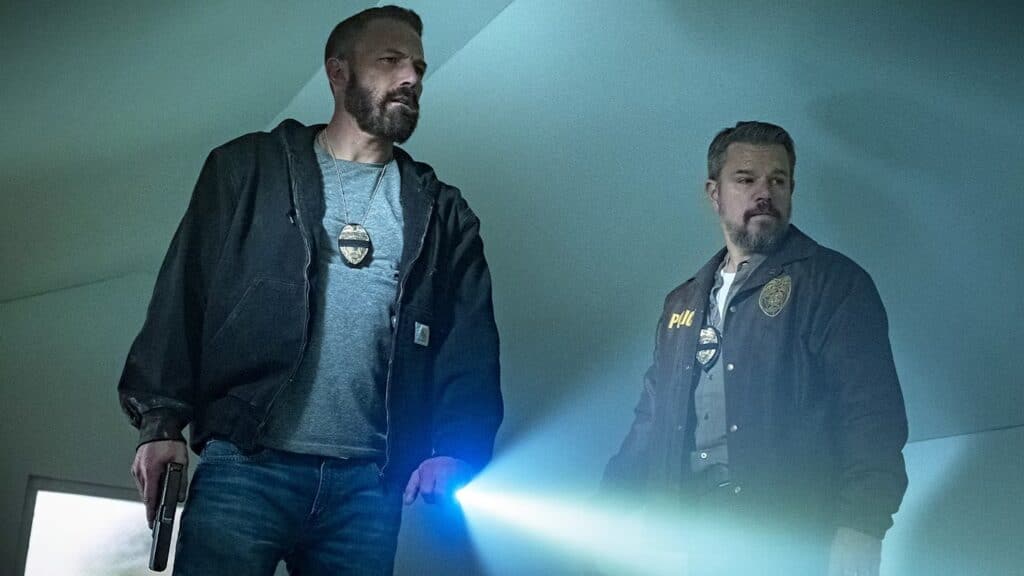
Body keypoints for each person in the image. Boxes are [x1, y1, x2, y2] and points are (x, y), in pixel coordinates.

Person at [118, 6, 502, 575]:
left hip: (368, 488)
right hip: (246, 466)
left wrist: (457, 447)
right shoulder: (247, 169)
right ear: (338, 72)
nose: (411, 78)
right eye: (391, 60)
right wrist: (160, 423)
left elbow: (467, 341)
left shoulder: (442, 213)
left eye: (419, 67)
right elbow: (181, 297)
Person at [602, 121, 908, 575]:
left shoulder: (834, 283)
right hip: (683, 544)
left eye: (778, 181)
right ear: (714, 194)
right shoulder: (681, 303)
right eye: (746, 179)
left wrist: (861, 528)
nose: (764, 193)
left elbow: (871, 415)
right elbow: (651, 419)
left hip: (789, 540)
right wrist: (605, 512)